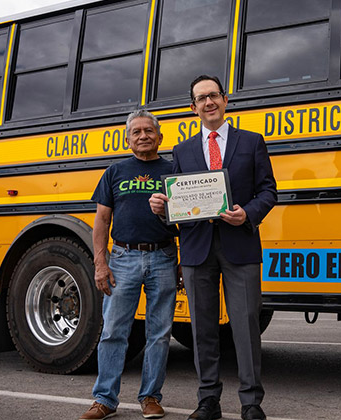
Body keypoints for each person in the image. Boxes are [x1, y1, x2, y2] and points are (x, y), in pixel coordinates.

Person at [149, 75, 277, 420]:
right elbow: (177, 204)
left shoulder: (252, 142)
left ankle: (251, 403)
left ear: (225, 100)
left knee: (245, 325)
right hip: (196, 248)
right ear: (193, 108)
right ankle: (208, 401)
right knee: (202, 327)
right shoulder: (183, 150)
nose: (209, 103)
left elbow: (268, 192)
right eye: (201, 98)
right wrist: (163, 208)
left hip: (240, 245)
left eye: (214, 96)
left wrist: (246, 214)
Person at [81, 110, 179, 420]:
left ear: (159, 137)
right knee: (113, 331)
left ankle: (150, 397)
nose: (143, 136)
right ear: (128, 139)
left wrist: (184, 260)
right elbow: (102, 219)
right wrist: (100, 262)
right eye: (136, 132)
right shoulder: (115, 172)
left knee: (160, 333)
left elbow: (189, 217)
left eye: (148, 131)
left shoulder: (174, 170)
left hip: (164, 256)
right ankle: (105, 399)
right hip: (122, 258)